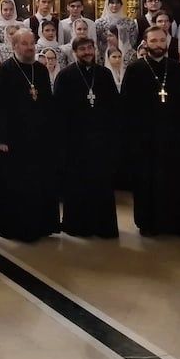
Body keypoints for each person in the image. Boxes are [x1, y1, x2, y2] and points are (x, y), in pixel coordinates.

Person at [121, 26, 180, 237]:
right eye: (153, 41)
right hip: (145, 138)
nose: (158, 45)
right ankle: (148, 223)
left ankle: (179, 225)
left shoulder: (176, 68)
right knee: (147, 181)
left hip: (173, 137)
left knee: (176, 181)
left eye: (162, 40)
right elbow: (126, 106)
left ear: (167, 42)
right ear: (145, 43)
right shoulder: (135, 69)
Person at [0, 28, 60, 242]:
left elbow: (47, 103)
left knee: (39, 182)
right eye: (25, 44)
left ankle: (42, 225)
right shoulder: (4, 71)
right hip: (14, 139)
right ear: (14, 46)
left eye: (32, 44)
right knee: (16, 184)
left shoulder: (40, 69)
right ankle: (16, 228)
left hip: (39, 138)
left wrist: (50, 133)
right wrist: (1, 138)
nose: (30, 48)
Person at [54, 36, 121, 238]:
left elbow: (114, 107)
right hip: (76, 141)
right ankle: (78, 226)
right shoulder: (65, 76)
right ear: (75, 52)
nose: (87, 52)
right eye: (82, 49)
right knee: (78, 184)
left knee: (101, 183)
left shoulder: (105, 74)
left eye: (90, 48)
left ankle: (103, 226)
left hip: (101, 140)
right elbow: (59, 112)